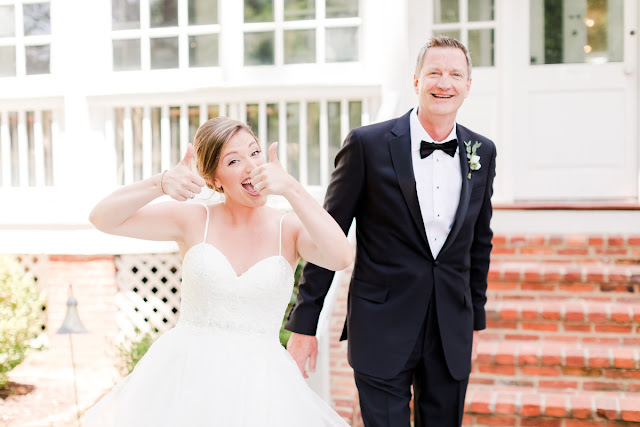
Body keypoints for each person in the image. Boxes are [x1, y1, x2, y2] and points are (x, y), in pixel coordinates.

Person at [82, 117, 353, 426]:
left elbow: (342, 256)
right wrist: (159, 182)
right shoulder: (194, 219)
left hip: (261, 386)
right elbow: (102, 218)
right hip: (187, 376)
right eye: (234, 160)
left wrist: (292, 189)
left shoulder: (288, 228)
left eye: (254, 153)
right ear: (214, 179)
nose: (251, 166)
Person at [285, 36, 496, 427]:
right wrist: (304, 324)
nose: (444, 83)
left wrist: (475, 321)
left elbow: (479, 243)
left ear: (468, 86)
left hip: (450, 329)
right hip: (380, 325)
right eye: (434, 72)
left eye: (455, 74)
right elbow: (326, 236)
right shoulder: (368, 145)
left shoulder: (482, 152)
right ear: (416, 80)